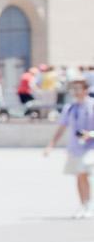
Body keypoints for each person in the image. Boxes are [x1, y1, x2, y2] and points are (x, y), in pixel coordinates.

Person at [44, 77, 94, 219]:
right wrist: (51, 145)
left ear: (86, 90)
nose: (76, 92)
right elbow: (62, 128)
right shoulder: (70, 108)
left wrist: (90, 134)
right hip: (75, 147)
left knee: (83, 171)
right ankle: (83, 204)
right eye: (74, 89)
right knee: (79, 175)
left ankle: (89, 204)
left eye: (79, 89)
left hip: (91, 147)